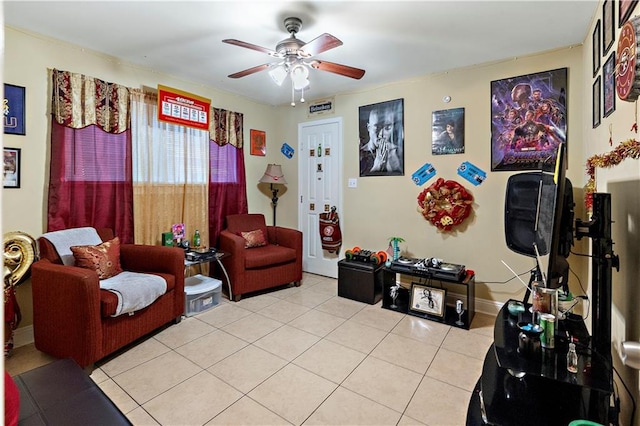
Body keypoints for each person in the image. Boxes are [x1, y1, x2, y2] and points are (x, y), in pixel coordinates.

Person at [360, 105, 402, 174]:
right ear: (368, 127)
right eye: (377, 127)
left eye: (388, 127)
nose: (381, 134)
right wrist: (377, 166)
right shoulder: (360, 154)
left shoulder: (398, 152)